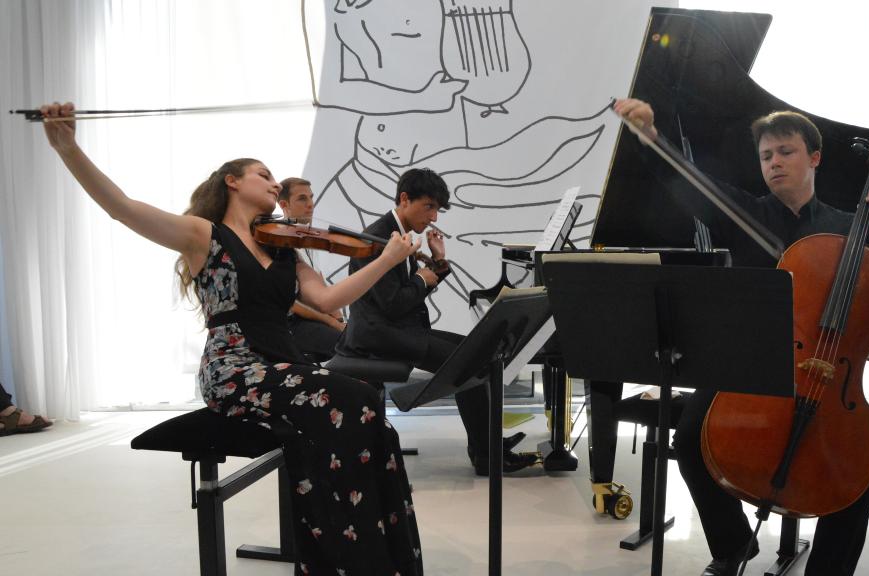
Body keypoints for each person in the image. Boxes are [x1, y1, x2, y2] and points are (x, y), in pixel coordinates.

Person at [38, 102, 424, 576]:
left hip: (283, 364)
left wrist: (386, 260)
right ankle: (341, 559)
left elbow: (327, 300)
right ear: (233, 182)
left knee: (374, 418)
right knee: (352, 399)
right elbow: (123, 209)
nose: (275, 183)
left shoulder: (285, 248)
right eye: (264, 174)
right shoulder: (206, 236)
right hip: (235, 369)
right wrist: (67, 147)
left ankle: (379, 559)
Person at [614, 98, 869, 576]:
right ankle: (732, 547)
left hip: (828, 376)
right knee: (689, 439)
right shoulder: (744, 211)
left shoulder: (850, 229)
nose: (775, 163)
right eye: (767, 156)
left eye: (786, 152)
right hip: (751, 361)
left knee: (861, 470)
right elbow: (690, 186)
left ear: (815, 158)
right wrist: (650, 138)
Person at [331, 168, 536, 476]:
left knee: (475, 351)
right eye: (429, 207)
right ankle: (486, 454)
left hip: (397, 329)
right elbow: (394, 304)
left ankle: (486, 446)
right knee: (471, 361)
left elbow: (407, 294)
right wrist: (422, 279)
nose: (435, 217)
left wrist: (437, 262)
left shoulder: (398, 232)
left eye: (437, 209)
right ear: (404, 199)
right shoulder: (378, 238)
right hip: (379, 336)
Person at [277, 177, 348, 362]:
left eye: (311, 197)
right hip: (290, 323)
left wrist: (339, 319)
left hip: (313, 319)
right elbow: (289, 302)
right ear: (284, 204)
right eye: (302, 199)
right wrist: (332, 322)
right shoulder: (277, 241)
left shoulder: (305, 236)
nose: (310, 204)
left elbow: (319, 281)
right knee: (350, 345)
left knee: (358, 338)